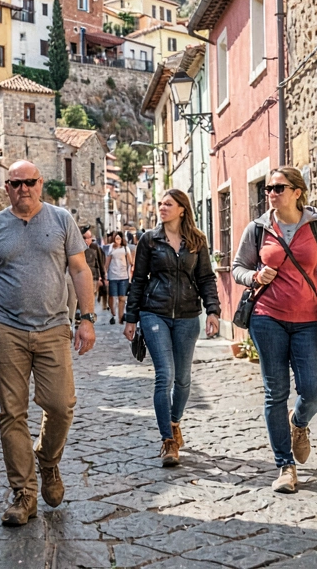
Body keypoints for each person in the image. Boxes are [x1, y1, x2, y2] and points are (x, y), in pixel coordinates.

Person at [0, 160, 96, 526]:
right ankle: (24, 494)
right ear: (6, 187)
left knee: (61, 405)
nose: (24, 189)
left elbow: (80, 269)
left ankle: (48, 460)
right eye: (16, 183)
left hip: (54, 327)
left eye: (30, 182)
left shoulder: (60, 220)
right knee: (12, 412)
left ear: (41, 184)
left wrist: (86, 319)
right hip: (6, 329)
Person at [232, 166, 317, 494]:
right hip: (267, 318)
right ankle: (285, 466)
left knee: (313, 388)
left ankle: (299, 423)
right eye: (268, 188)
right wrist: (254, 277)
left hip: (308, 319)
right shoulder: (257, 229)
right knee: (275, 392)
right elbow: (238, 267)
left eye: (279, 187)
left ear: (297, 191)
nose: (271, 193)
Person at [123, 189, 221, 467]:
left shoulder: (197, 241)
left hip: (189, 316)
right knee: (164, 375)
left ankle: (175, 421)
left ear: (182, 209)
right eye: (160, 204)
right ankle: (168, 440)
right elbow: (138, 280)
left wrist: (213, 310)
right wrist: (131, 318)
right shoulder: (149, 241)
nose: (162, 208)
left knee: (184, 379)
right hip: (155, 313)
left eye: (168, 204)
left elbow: (206, 278)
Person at [104, 231, 134, 326]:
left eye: (119, 238)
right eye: (116, 238)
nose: (118, 240)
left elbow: (130, 261)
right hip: (113, 276)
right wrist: (105, 273)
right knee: (112, 296)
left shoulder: (125, 248)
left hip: (123, 276)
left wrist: (131, 269)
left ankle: (120, 317)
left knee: (122, 298)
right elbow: (107, 262)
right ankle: (113, 312)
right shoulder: (111, 248)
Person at [83, 228, 106, 316]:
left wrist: (103, 277)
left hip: (93, 277)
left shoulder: (95, 247)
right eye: (84, 238)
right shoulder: (78, 248)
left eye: (88, 238)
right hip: (81, 277)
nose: (86, 240)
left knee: (90, 297)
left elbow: (100, 262)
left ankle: (89, 315)